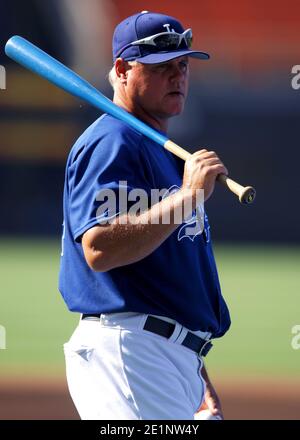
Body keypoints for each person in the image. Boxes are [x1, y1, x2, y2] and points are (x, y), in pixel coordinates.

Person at [59, 11, 231, 420]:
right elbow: (99, 248)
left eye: (182, 65)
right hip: (132, 353)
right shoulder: (112, 141)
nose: (178, 77)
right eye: (161, 67)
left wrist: (196, 368)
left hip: (166, 357)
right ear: (122, 69)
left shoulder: (162, 151)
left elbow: (167, 280)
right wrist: (188, 197)